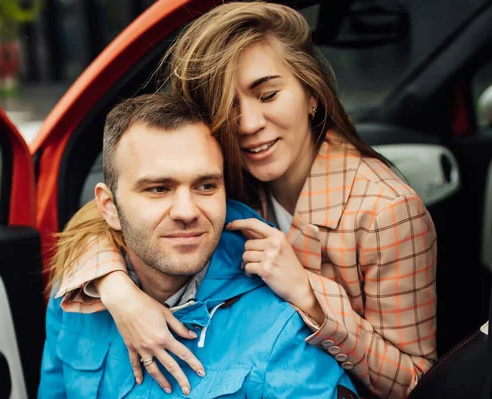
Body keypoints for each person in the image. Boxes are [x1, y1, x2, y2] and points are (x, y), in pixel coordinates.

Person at [54, 3, 438, 398]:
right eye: (227, 106)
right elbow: (99, 222)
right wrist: (120, 293)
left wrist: (309, 296)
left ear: (312, 94)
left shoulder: (385, 212)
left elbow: (419, 383)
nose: (249, 124)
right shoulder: (221, 177)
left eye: (267, 94)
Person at [39, 93, 358, 398]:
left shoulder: (280, 334)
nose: (187, 212)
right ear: (109, 208)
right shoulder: (75, 298)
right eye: (158, 189)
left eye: (205, 186)